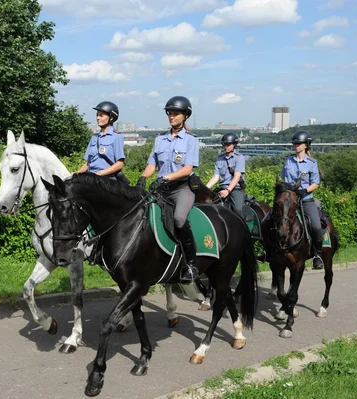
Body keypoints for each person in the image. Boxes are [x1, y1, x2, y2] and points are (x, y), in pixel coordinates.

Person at [136, 96, 199, 282]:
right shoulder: (160, 139)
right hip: (160, 189)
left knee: (179, 219)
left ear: (185, 115)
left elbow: (187, 169)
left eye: (176, 113)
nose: (172, 116)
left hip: (181, 189)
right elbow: (152, 164)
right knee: (140, 214)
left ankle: (191, 264)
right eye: (169, 113)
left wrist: (166, 177)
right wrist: (143, 177)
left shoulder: (191, 140)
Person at [281, 130, 324, 269]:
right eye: (294, 143)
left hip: (305, 200)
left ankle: (317, 255)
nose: (296, 146)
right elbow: (284, 179)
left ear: (306, 145)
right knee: (271, 219)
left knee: (316, 226)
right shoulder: (288, 160)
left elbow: (316, 183)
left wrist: (304, 190)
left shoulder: (311, 163)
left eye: (299, 143)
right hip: (289, 200)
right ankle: (269, 251)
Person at [76, 101, 125, 179]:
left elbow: (119, 164)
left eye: (101, 115)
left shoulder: (116, 137)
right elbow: (88, 163)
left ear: (111, 118)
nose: (98, 118)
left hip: (106, 179)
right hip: (90, 178)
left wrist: (100, 173)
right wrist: (76, 174)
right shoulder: (94, 137)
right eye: (97, 115)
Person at [206, 132, 246, 220]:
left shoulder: (239, 158)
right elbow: (216, 177)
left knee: (238, 209)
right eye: (224, 144)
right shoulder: (219, 159)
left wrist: (228, 190)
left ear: (234, 144)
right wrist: (205, 188)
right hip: (222, 189)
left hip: (235, 189)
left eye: (228, 144)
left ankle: (244, 230)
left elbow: (237, 176)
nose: (226, 146)